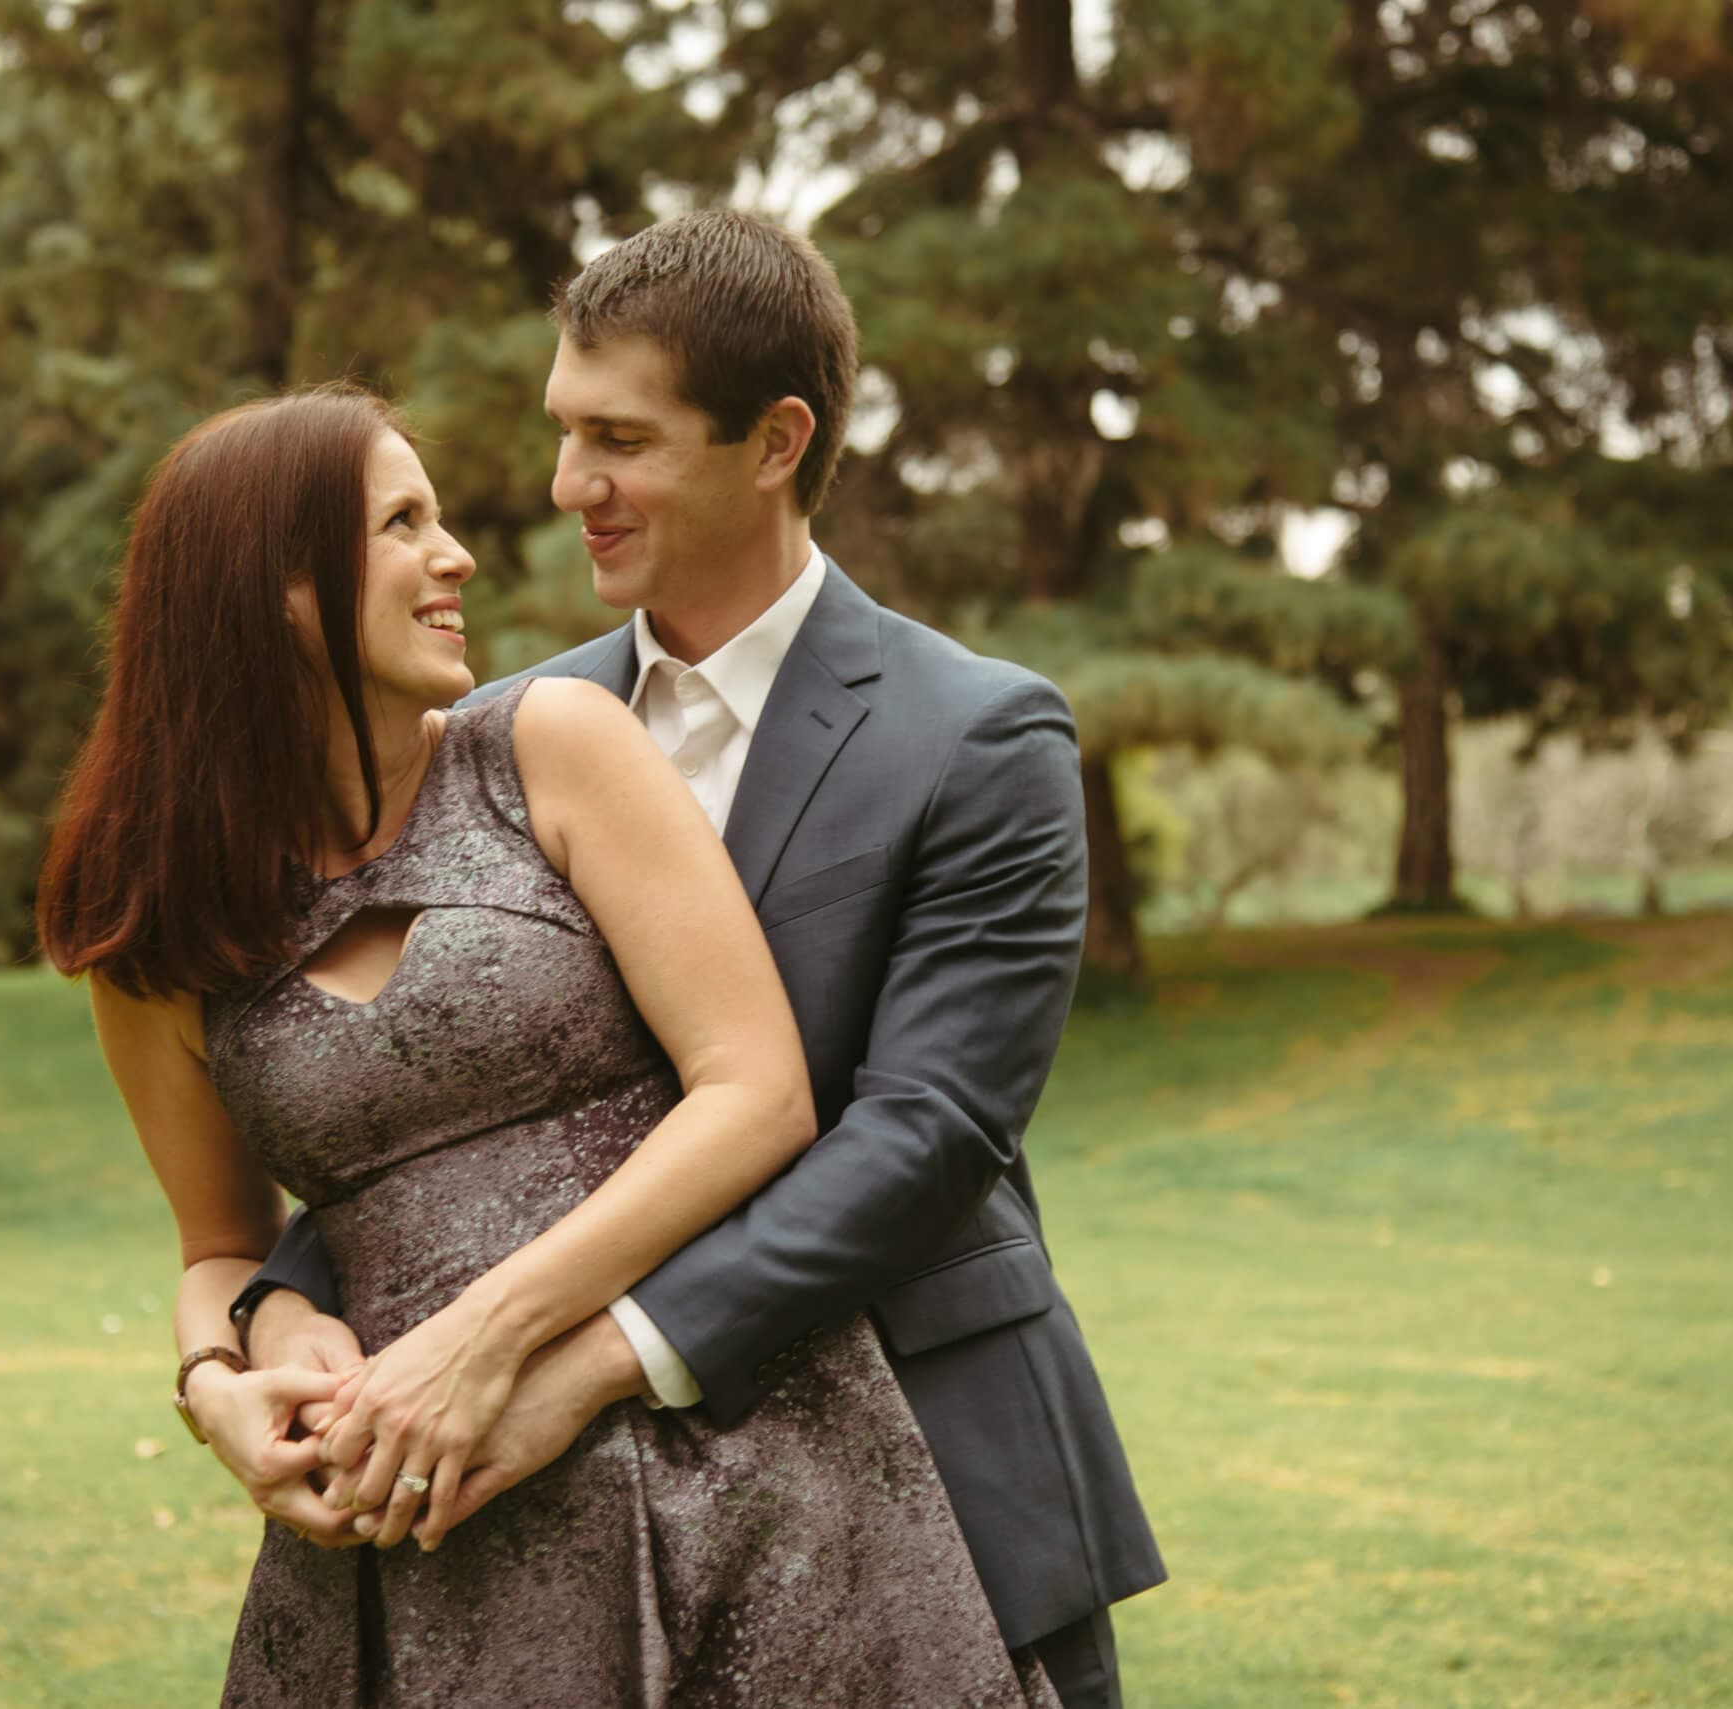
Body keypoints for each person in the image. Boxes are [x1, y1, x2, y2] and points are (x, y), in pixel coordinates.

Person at [236, 210, 1167, 1706]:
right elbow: (432, 1096)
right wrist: (264, 1312)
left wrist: (589, 1357)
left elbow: (925, 1133)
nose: (567, 487)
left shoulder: (980, 736)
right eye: (562, 431)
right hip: (599, 1544)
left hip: (940, 1462)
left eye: (622, 438)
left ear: (777, 439)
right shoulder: (504, 737)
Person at [38, 383, 1052, 1706]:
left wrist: (485, 1345)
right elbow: (222, 1248)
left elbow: (755, 1091)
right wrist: (221, 1381)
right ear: (276, 591)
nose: (455, 554)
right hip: (432, 1524)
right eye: (405, 523)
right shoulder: (154, 934)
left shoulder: (551, 749)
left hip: (746, 1465)